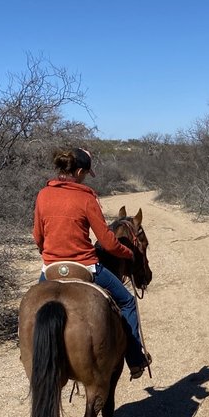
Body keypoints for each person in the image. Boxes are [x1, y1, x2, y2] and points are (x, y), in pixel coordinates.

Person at [33, 147, 151, 378]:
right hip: (85, 265)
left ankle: (27, 351)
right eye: (86, 174)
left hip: (51, 268)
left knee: (33, 307)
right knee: (127, 301)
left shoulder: (43, 194)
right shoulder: (87, 198)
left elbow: (38, 235)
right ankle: (136, 359)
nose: (86, 178)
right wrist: (127, 253)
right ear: (79, 172)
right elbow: (107, 242)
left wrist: (48, 253)